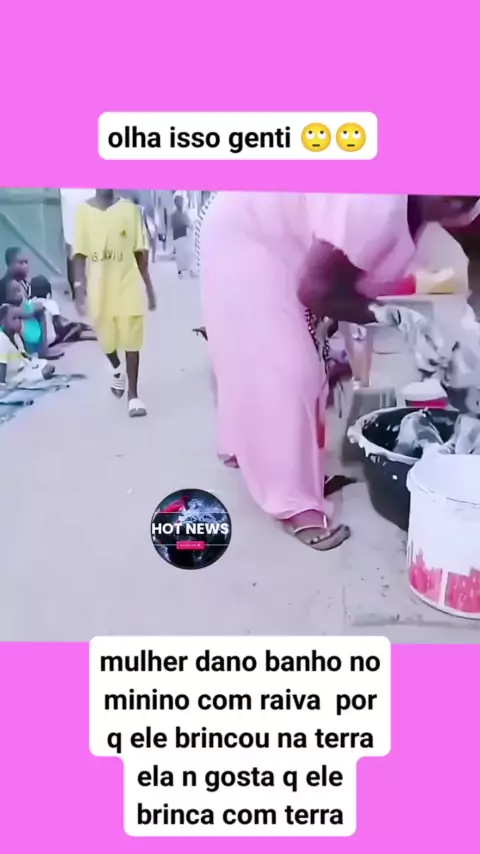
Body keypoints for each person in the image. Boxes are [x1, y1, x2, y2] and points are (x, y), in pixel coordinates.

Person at [200, 193, 480, 551]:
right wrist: (398, 318)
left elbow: (475, 246)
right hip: (249, 231)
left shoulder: (456, 194)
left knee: (313, 359)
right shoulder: (375, 204)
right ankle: (292, 503)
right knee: (284, 366)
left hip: (295, 237)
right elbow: (317, 290)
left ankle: (267, 454)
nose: (462, 205)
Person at [73, 189, 157, 417]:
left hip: (127, 285)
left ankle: (133, 396)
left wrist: (149, 287)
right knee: (106, 341)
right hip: (100, 289)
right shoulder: (83, 212)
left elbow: (140, 254)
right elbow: (79, 254)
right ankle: (116, 368)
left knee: (132, 340)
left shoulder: (130, 210)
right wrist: (79, 288)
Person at [3, 277, 62, 360]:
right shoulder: (8, 309)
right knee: (40, 313)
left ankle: (40, 350)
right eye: (16, 292)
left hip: (30, 339)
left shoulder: (22, 305)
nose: (20, 294)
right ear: (7, 296)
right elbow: (29, 311)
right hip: (17, 343)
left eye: (19, 291)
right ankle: (42, 351)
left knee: (39, 312)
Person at [29, 275, 95, 346]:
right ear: (48, 295)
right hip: (50, 339)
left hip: (33, 341)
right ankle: (91, 330)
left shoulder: (29, 303)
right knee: (77, 327)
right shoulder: (51, 303)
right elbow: (58, 324)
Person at [0, 304, 54, 387]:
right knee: (46, 371)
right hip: (13, 379)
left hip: (24, 369)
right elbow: (1, 366)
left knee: (46, 365)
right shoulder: (2, 339)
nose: (18, 321)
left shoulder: (16, 336)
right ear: (3, 322)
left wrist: (32, 361)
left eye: (19, 318)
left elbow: (24, 355)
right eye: (14, 318)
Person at [172, 194, 195, 277]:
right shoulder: (179, 214)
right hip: (180, 236)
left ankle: (185, 271)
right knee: (186, 255)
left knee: (184, 255)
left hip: (180, 236)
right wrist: (189, 225)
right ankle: (186, 271)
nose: (182, 203)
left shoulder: (180, 214)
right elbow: (188, 223)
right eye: (180, 201)